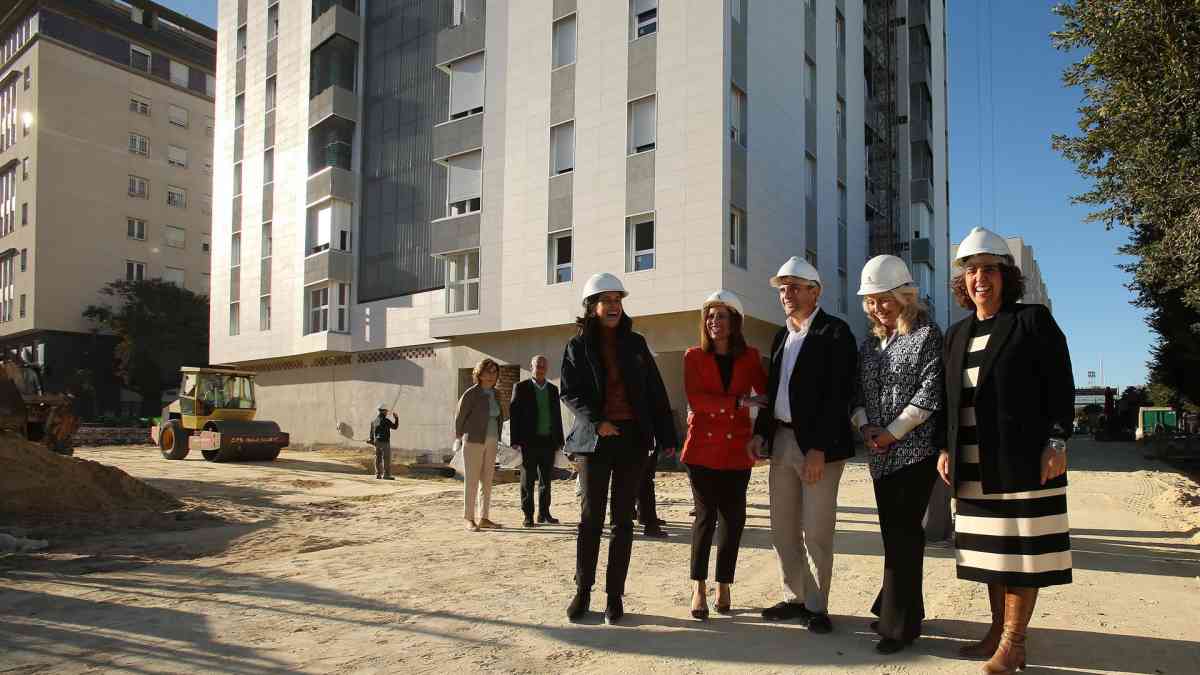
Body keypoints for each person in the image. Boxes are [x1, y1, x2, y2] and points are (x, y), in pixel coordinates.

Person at [942, 227, 1074, 675]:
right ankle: (997, 633)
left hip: (1023, 460)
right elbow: (950, 400)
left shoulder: (1031, 321)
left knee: (1020, 553)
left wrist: (1056, 441)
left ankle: (1014, 643)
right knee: (992, 554)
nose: (981, 278)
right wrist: (946, 448)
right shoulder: (956, 334)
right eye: (972, 270)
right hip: (976, 464)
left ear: (1006, 277)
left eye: (990, 270)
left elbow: (1060, 385)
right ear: (963, 282)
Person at [560, 272, 678, 624]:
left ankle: (614, 597)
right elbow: (570, 391)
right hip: (595, 442)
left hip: (632, 441)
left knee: (623, 522)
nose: (613, 306)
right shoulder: (577, 346)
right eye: (606, 300)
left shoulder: (636, 343)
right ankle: (583, 592)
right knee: (590, 519)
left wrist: (667, 437)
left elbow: (655, 391)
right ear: (592, 307)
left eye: (618, 300)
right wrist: (598, 420)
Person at [749, 256, 857, 634]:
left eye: (794, 287)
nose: (786, 294)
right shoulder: (781, 336)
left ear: (815, 291)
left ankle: (817, 606)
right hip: (781, 440)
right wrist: (762, 432)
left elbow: (839, 395)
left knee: (816, 530)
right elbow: (772, 391)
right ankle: (794, 598)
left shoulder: (835, 333)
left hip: (817, 448)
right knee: (782, 527)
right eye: (782, 288)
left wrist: (819, 448)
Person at [850, 255, 945, 654]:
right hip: (879, 454)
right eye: (870, 301)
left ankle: (899, 627)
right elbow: (856, 393)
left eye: (884, 299)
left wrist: (893, 431)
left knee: (905, 535)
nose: (877, 308)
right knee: (894, 536)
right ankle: (898, 607)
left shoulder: (927, 335)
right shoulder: (868, 343)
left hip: (914, 453)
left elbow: (929, 392)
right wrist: (865, 425)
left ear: (906, 295)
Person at [681, 290, 767, 620]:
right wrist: (737, 403)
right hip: (702, 449)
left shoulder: (750, 357)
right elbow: (696, 399)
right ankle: (699, 586)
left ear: (734, 323)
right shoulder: (692, 356)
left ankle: (724, 583)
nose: (714, 321)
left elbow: (766, 392)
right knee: (706, 518)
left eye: (722, 316)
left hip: (737, 450)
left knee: (734, 520)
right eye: (710, 316)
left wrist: (762, 428)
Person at [509, 354, 565, 528]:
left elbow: (557, 417)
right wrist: (515, 441)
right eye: (537, 366)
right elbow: (514, 415)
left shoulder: (553, 390)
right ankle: (528, 515)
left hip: (548, 441)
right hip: (528, 443)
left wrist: (560, 440)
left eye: (543, 366)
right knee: (527, 480)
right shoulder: (521, 387)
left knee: (546, 481)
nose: (540, 369)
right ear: (531, 367)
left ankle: (544, 513)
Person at [454, 358, 506, 532]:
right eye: (487, 372)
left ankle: (484, 517)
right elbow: (460, 417)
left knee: (487, 481)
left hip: (492, 441)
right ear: (479, 373)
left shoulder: (496, 394)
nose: (491, 376)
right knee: (472, 481)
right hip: (473, 440)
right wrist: (458, 437)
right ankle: (468, 518)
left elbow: (499, 417)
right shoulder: (471, 393)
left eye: (494, 372)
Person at [369, 403, 399, 480]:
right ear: (384, 411)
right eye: (386, 411)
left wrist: (372, 440)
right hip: (385, 442)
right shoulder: (386, 421)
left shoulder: (374, 421)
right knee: (386, 458)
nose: (387, 412)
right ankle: (386, 475)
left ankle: (378, 474)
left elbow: (371, 433)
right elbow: (395, 427)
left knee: (378, 458)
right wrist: (396, 418)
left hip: (377, 442)